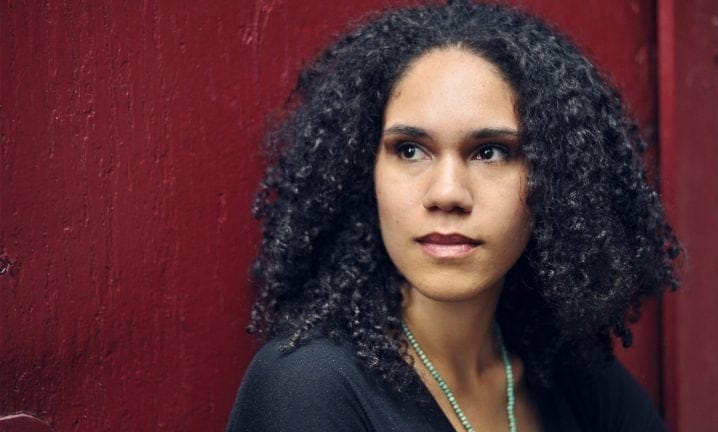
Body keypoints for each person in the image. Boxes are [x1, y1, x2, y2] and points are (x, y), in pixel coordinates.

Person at [227, 1, 680, 431]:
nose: (446, 194)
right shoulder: (308, 386)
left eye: (490, 152)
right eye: (409, 150)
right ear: (364, 171)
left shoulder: (577, 379)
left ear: (556, 179)